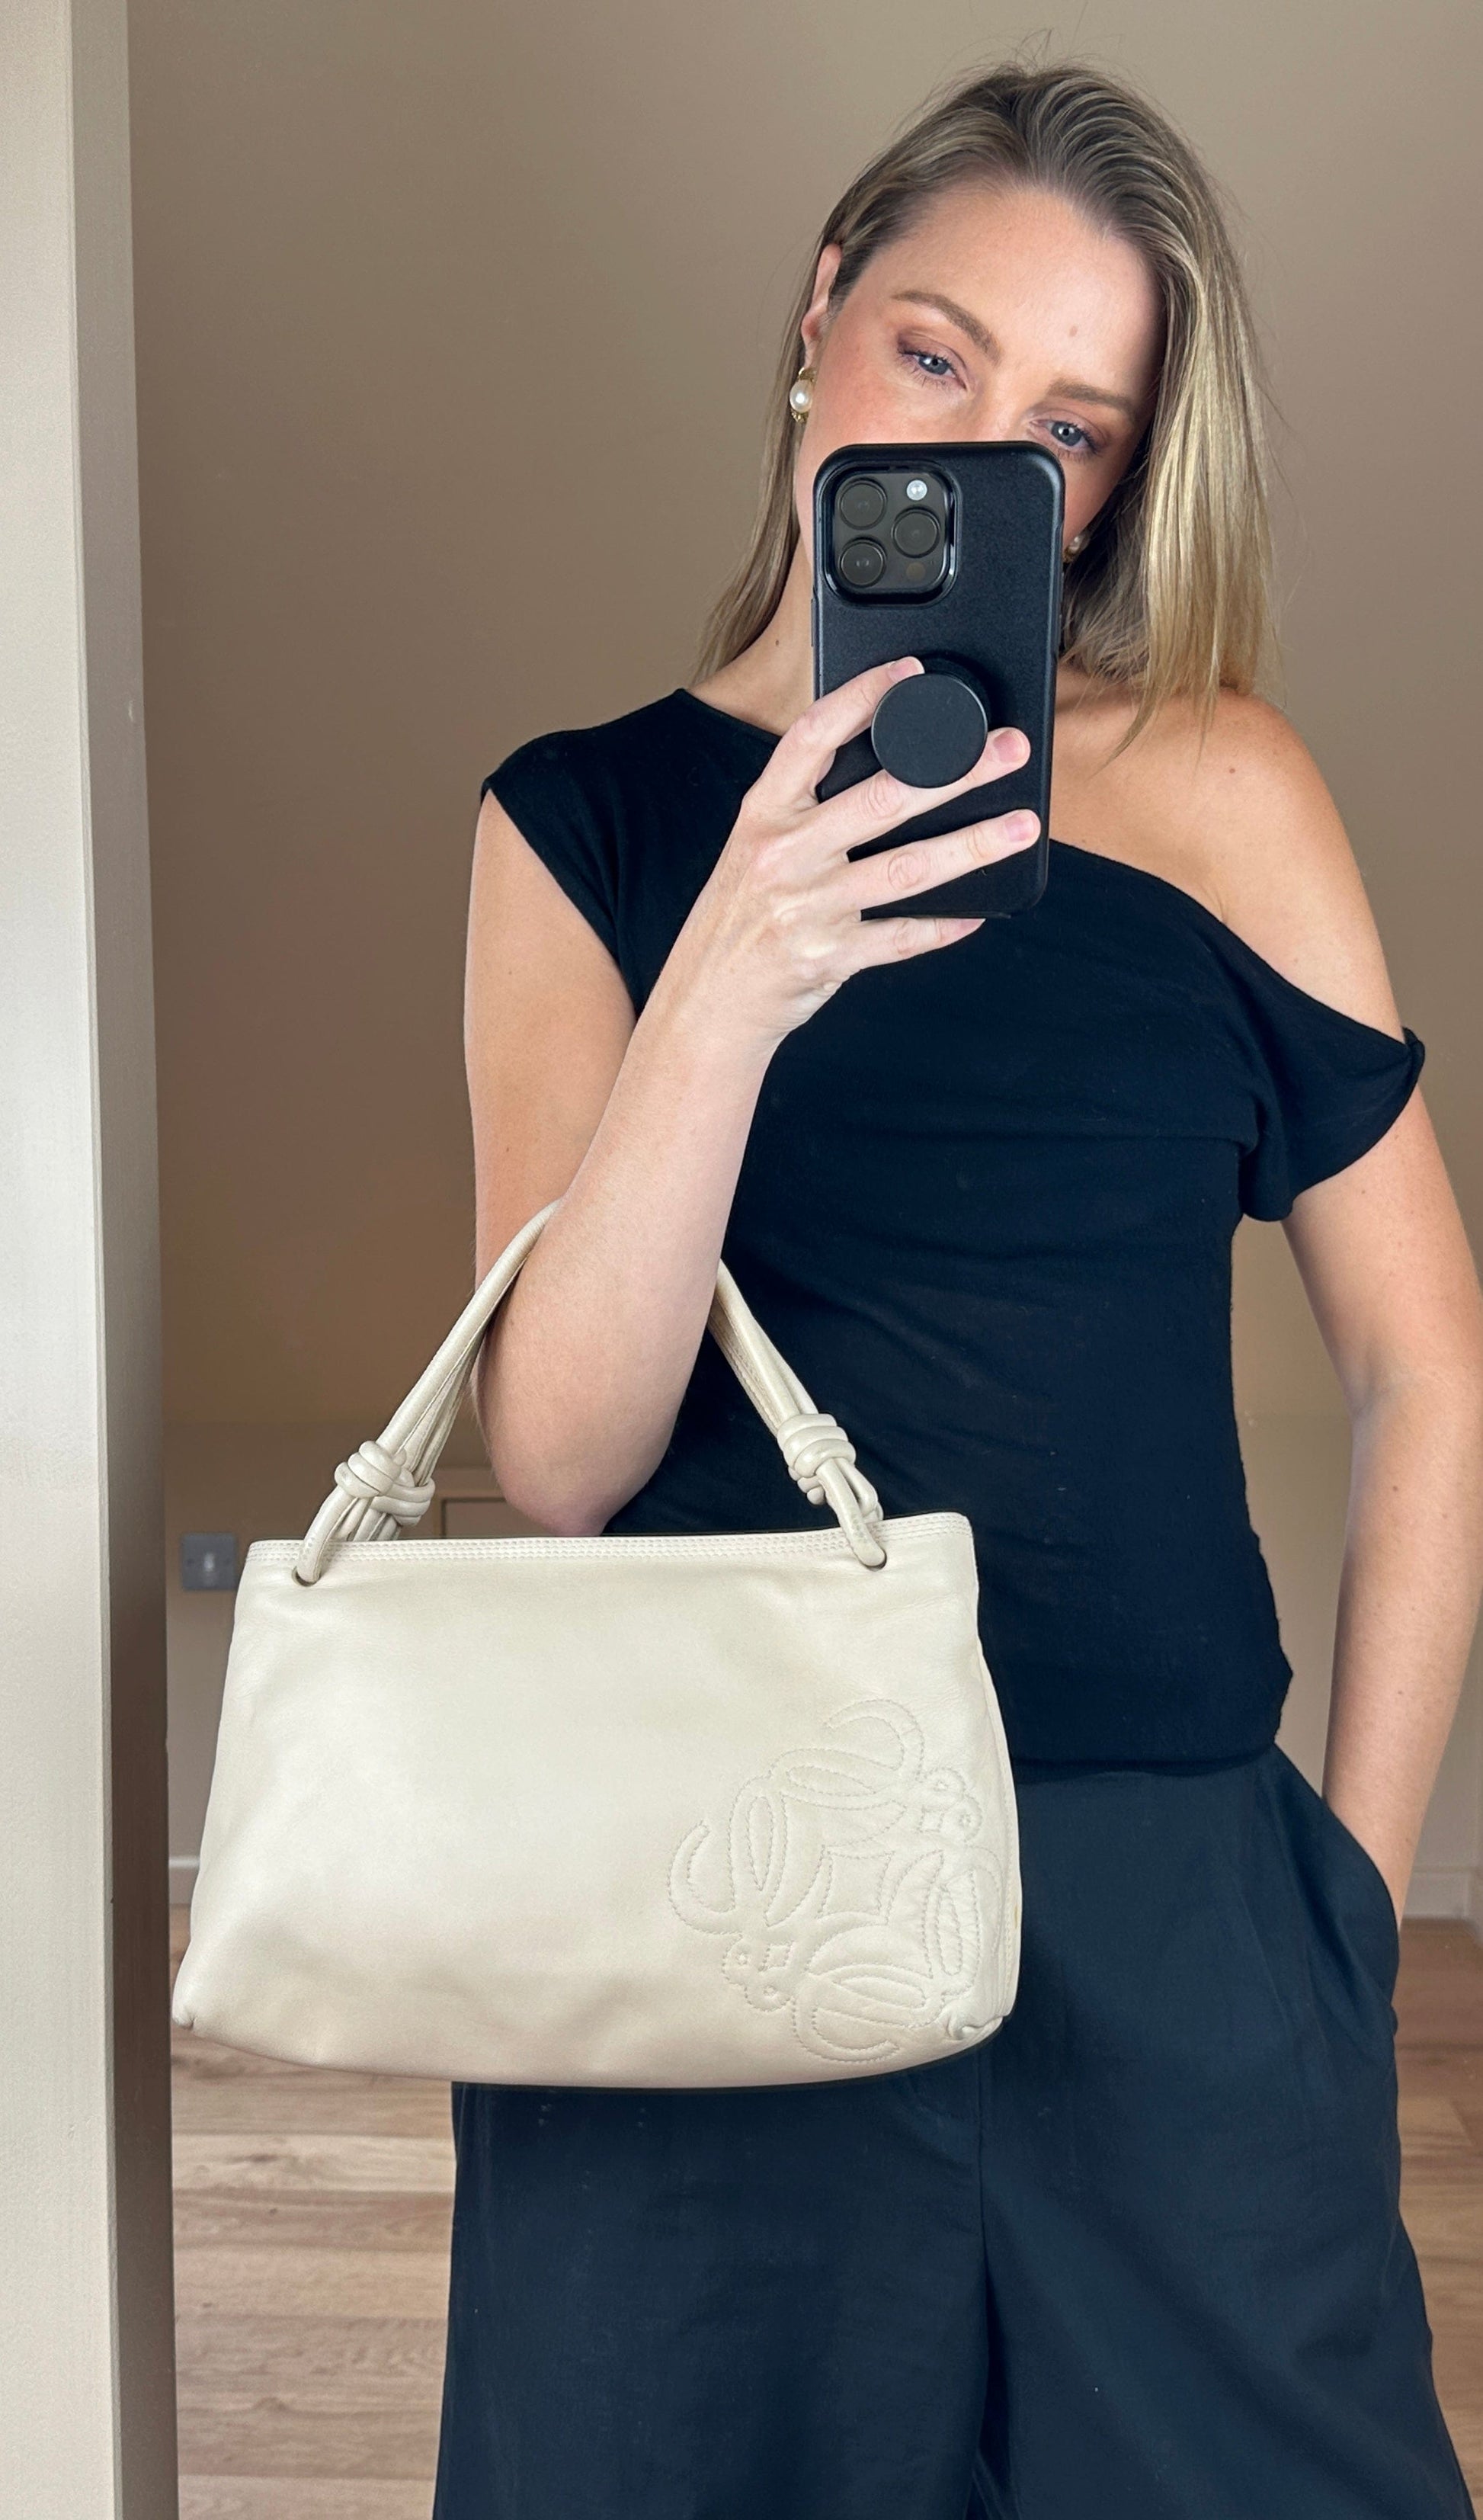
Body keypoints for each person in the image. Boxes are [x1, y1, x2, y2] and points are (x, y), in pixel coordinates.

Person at [433, 59, 1483, 2520]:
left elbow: (1426, 1363)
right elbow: (558, 1456)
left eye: (1068, 425)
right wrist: (732, 970)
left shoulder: (1226, 790)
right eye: (932, 352)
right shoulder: (579, 824)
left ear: (1105, 487)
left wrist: (1344, 1905)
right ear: (815, 317)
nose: (985, 446)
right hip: (701, 1908)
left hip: (1167, 1918)